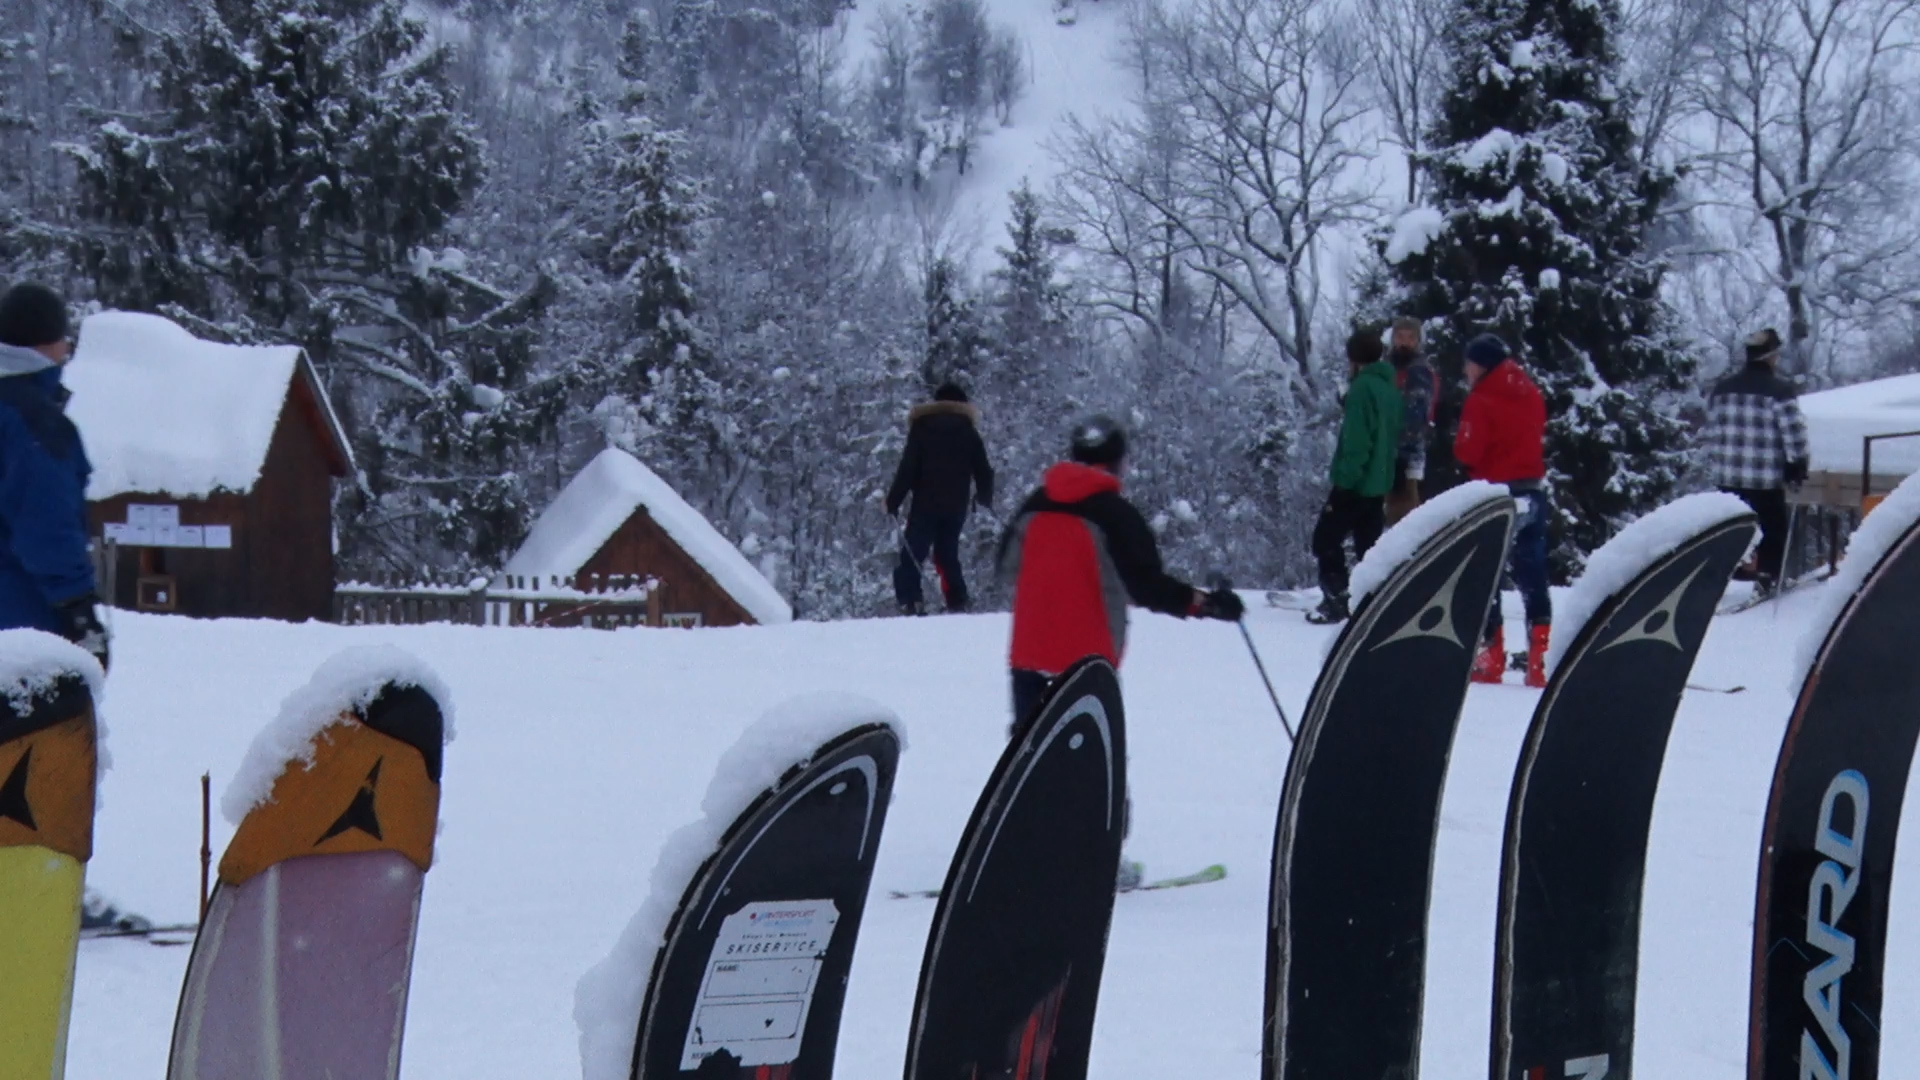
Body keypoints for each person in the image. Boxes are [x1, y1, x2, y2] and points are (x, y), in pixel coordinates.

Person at [997, 415, 1243, 731]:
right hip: (1088, 663)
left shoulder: (1033, 506)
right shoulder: (1115, 515)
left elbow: (1006, 568)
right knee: (1094, 766)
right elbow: (1147, 586)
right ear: (1118, 461)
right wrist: (1207, 604)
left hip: (1028, 657)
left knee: (1030, 765)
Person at [0, 283, 108, 670]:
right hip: (21, 624)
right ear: (48, 345)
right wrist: (77, 609)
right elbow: (45, 522)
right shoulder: (35, 424)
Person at [1455, 333, 1550, 687]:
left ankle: (1490, 655)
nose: (1465, 370)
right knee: (1533, 572)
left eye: (1469, 363)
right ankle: (1540, 659)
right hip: (1534, 491)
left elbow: (1468, 451)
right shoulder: (1531, 393)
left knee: (1488, 570)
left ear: (1481, 364)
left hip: (1496, 493)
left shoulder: (1480, 399)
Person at [1306, 328, 1403, 625]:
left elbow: (1358, 442)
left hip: (1356, 482)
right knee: (1369, 546)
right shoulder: (1390, 389)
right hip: (1378, 483)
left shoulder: (1362, 389)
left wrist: (1345, 480)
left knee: (1325, 539)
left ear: (1353, 358)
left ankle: (1336, 599)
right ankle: (1373, 601)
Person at [1703, 328, 1809, 596]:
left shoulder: (1721, 390)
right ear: (1772, 356)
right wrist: (1797, 464)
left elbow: (1712, 430)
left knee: (1735, 530)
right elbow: (1794, 433)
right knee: (1771, 529)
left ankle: (1731, 576)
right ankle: (1768, 578)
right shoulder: (1779, 391)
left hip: (1727, 476)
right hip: (1764, 478)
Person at [886, 382, 995, 615]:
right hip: (956, 504)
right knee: (947, 554)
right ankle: (957, 600)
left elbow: (908, 468)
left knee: (913, 552)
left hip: (925, 502)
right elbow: (984, 469)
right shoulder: (968, 430)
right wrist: (983, 496)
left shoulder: (921, 427)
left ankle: (911, 600)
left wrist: (893, 501)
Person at [1386, 316, 1437, 526]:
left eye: (1410, 337)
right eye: (1400, 336)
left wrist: (1401, 455)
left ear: (1418, 341)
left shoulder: (1419, 371)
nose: (1404, 342)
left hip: (1406, 457)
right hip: (1384, 454)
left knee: (1404, 519)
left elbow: (1415, 415)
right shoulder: (1386, 367)